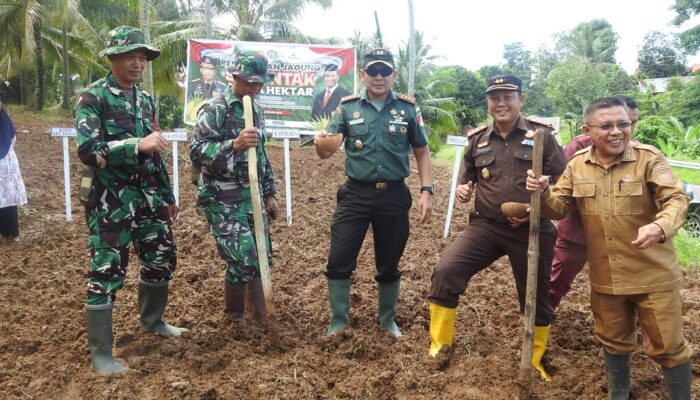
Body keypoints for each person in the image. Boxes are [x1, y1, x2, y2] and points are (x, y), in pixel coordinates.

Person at [526, 96, 693, 399]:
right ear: (587, 130)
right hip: (606, 278)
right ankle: (619, 394)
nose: (617, 131)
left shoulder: (648, 158)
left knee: (669, 347)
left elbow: (677, 199)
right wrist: (543, 191)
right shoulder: (577, 165)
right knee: (613, 342)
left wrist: (660, 226)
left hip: (652, 276)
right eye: (606, 126)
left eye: (623, 124)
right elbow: (559, 208)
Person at [427, 75, 566, 380]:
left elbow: (564, 179)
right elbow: (468, 179)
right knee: (446, 271)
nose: (501, 103)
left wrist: (544, 189)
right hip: (486, 227)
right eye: (494, 97)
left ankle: (536, 359)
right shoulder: (477, 139)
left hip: (533, 227)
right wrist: (464, 190)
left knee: (536, 293)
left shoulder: (541, 135)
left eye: (508, 96)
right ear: (488, 102)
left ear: (521, 99)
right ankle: (440, 347)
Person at [74, 26, 186, 376]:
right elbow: (89, 152)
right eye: (130, 56)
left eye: (142, 57)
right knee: (107, 269)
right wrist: (134, 145)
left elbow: (156, 154)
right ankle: (102, 354)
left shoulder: (145, 99)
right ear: (112, 58)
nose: (138, 63)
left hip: (148, 198)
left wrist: (167, 196)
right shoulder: (93, 98)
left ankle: (153, 321)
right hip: (111, 201)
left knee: (161, 258)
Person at [314, 48, 433, 338]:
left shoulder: (407, 109)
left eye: (385, 71)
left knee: (390, 260)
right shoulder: (347, 107)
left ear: (394, 75)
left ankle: (387, 320)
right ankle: (339, 320)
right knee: (339, 257)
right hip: (355, 195)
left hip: (393, 196)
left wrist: (426, 190)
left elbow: (422, 150)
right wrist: (323, 144)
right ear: (362, 74)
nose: (379, 77)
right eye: (373, 71)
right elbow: (328, 146)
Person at [190, 50, 278, 325]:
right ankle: (235, 320)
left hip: (251, 195)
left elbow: (261, 155)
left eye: (260, 82)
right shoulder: (216, 108)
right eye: (250, 80)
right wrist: (234, 144)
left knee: (262, 254)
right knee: (242, 258)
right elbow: (196, 150)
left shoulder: (257, 110)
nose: (256, 87)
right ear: (234, 76)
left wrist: (270, 192)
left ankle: (262, 318)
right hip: (222, 195)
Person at [549, 95, 639, 309]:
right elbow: (562, 191)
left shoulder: (640, 154)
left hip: (621, 238)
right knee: (556, 281)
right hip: (577, 232)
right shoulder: (577, 149)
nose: (625, 129)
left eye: (631, 123)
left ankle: (628, 322)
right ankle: (540, 320)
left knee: (626, 284)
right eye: (608, 125)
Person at [0, 98, 27, 241]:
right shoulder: (4, 118)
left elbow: (12, 138)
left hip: (5, 163)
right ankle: (8, 232)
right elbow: (13, 139)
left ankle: (9, 232)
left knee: (7, 200)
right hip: (6, 160)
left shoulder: (4, 119)